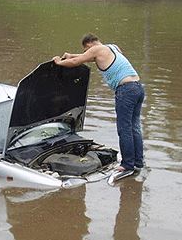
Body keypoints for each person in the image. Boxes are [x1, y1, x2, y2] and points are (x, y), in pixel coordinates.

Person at [52, 33, 145, 179]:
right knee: (134, 127)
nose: (86, 53)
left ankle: (127, 165)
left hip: (125, 91)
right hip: (138, 88)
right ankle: (138, 162)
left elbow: (77, 61)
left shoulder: (96, 50)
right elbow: (87, 57)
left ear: (89, 45)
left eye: (85, 50)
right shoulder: (112, 47)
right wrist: (71, 55)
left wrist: (59, 62)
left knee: (124, 128)